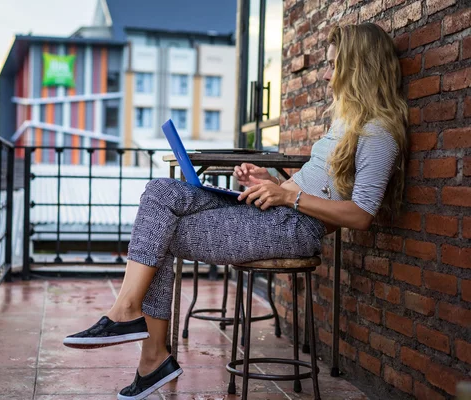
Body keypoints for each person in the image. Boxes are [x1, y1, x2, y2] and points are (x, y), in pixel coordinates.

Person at [63, 22, 409, 400]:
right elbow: (319, 185)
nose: (327, 74)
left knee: (158, 232)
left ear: (359, 67)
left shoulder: (379, 133)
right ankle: (138, 333)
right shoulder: (346, 121)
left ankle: (146, 347)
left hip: (294, 228)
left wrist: (287, 198)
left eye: (334, 65)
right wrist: (272, 182)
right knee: (159, 192)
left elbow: (361, 215)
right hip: (276, 211)